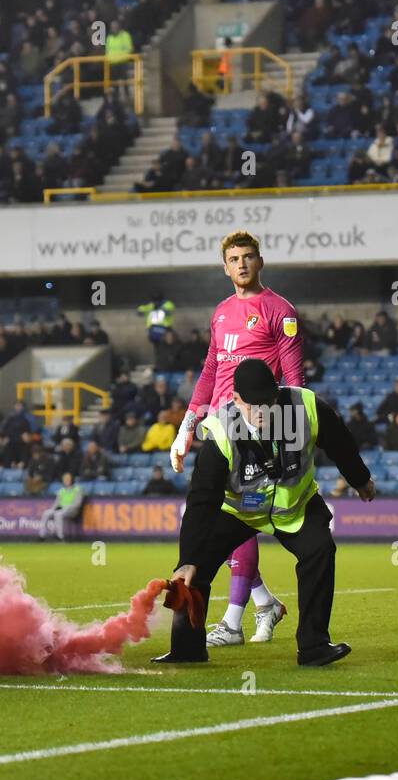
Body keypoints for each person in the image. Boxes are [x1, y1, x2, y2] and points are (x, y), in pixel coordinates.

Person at [153, 359, 375, 666]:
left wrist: (360, 479)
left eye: (268, 404)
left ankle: (313, 647)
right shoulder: (219, 432)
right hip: (238, 510)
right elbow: (202, 500)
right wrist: (187, 559)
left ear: (277, 394)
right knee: (195, 569)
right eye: (253, 405)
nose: (262, 413)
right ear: (236, 399)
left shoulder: (305, 406)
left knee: (320, 551)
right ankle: (187, 649)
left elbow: (340, 442)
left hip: (295, 507)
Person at [169, 230, 303, 647]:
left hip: (257, 429)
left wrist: (293, 436)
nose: (241, 264)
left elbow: (295, 381)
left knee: (238, 519)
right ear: (224, 266)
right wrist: (187, 426)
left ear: (260, 261)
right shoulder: (222, 312)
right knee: (221, 522)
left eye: (248, 257)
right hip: (218, 430)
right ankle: (265, 604)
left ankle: (232, 622)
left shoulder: (280, 311)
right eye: (233, 259)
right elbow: (210, 371)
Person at [39, 473, 84, 541]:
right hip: (61, 509)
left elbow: (77, 504)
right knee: (46, 513)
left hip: (72, 510)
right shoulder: (62, 490)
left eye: (68, 479)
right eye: (65, 479)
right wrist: (53, 509)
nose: (66, 481)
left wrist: (65, 507)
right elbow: (56, 503)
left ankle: (60, 537)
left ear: (72, 479)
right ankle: (42, 536)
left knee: (58, 514)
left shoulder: (77, 489)